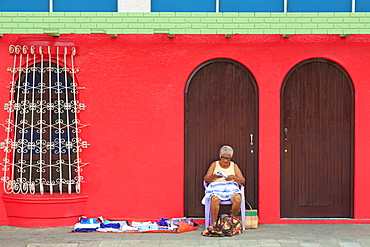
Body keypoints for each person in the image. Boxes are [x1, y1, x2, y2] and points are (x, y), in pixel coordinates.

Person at [202, 145, 245, 224]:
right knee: (214, 199)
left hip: (230, 187)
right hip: (216, 187)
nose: (225, 160)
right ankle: (214, 223)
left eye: (228, 158)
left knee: (238, 198)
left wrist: (233, 178)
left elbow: (242, 181)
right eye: (223, 158)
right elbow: (206, 179)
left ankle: (230, 220)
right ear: (220, 156)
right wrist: (214, 177)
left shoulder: (234, 166)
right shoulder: (214, 164)